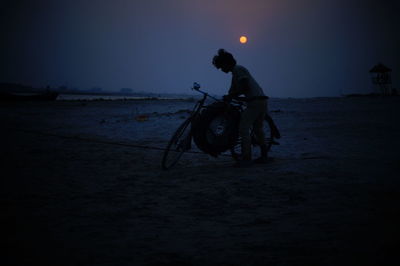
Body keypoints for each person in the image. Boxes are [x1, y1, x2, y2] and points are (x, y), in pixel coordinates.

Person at [212, 48, 269, 167]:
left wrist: (231, 96)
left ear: (226, 63)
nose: (221, 70)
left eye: (221, 67)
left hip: (255, 103)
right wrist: (229, 96)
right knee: (258, 129)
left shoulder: (238, 70)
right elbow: (233, 90)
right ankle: (264, 156)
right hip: (261, 100)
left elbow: (245, 88)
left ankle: (246, 158)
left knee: (243, 129)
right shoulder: (235, 73)